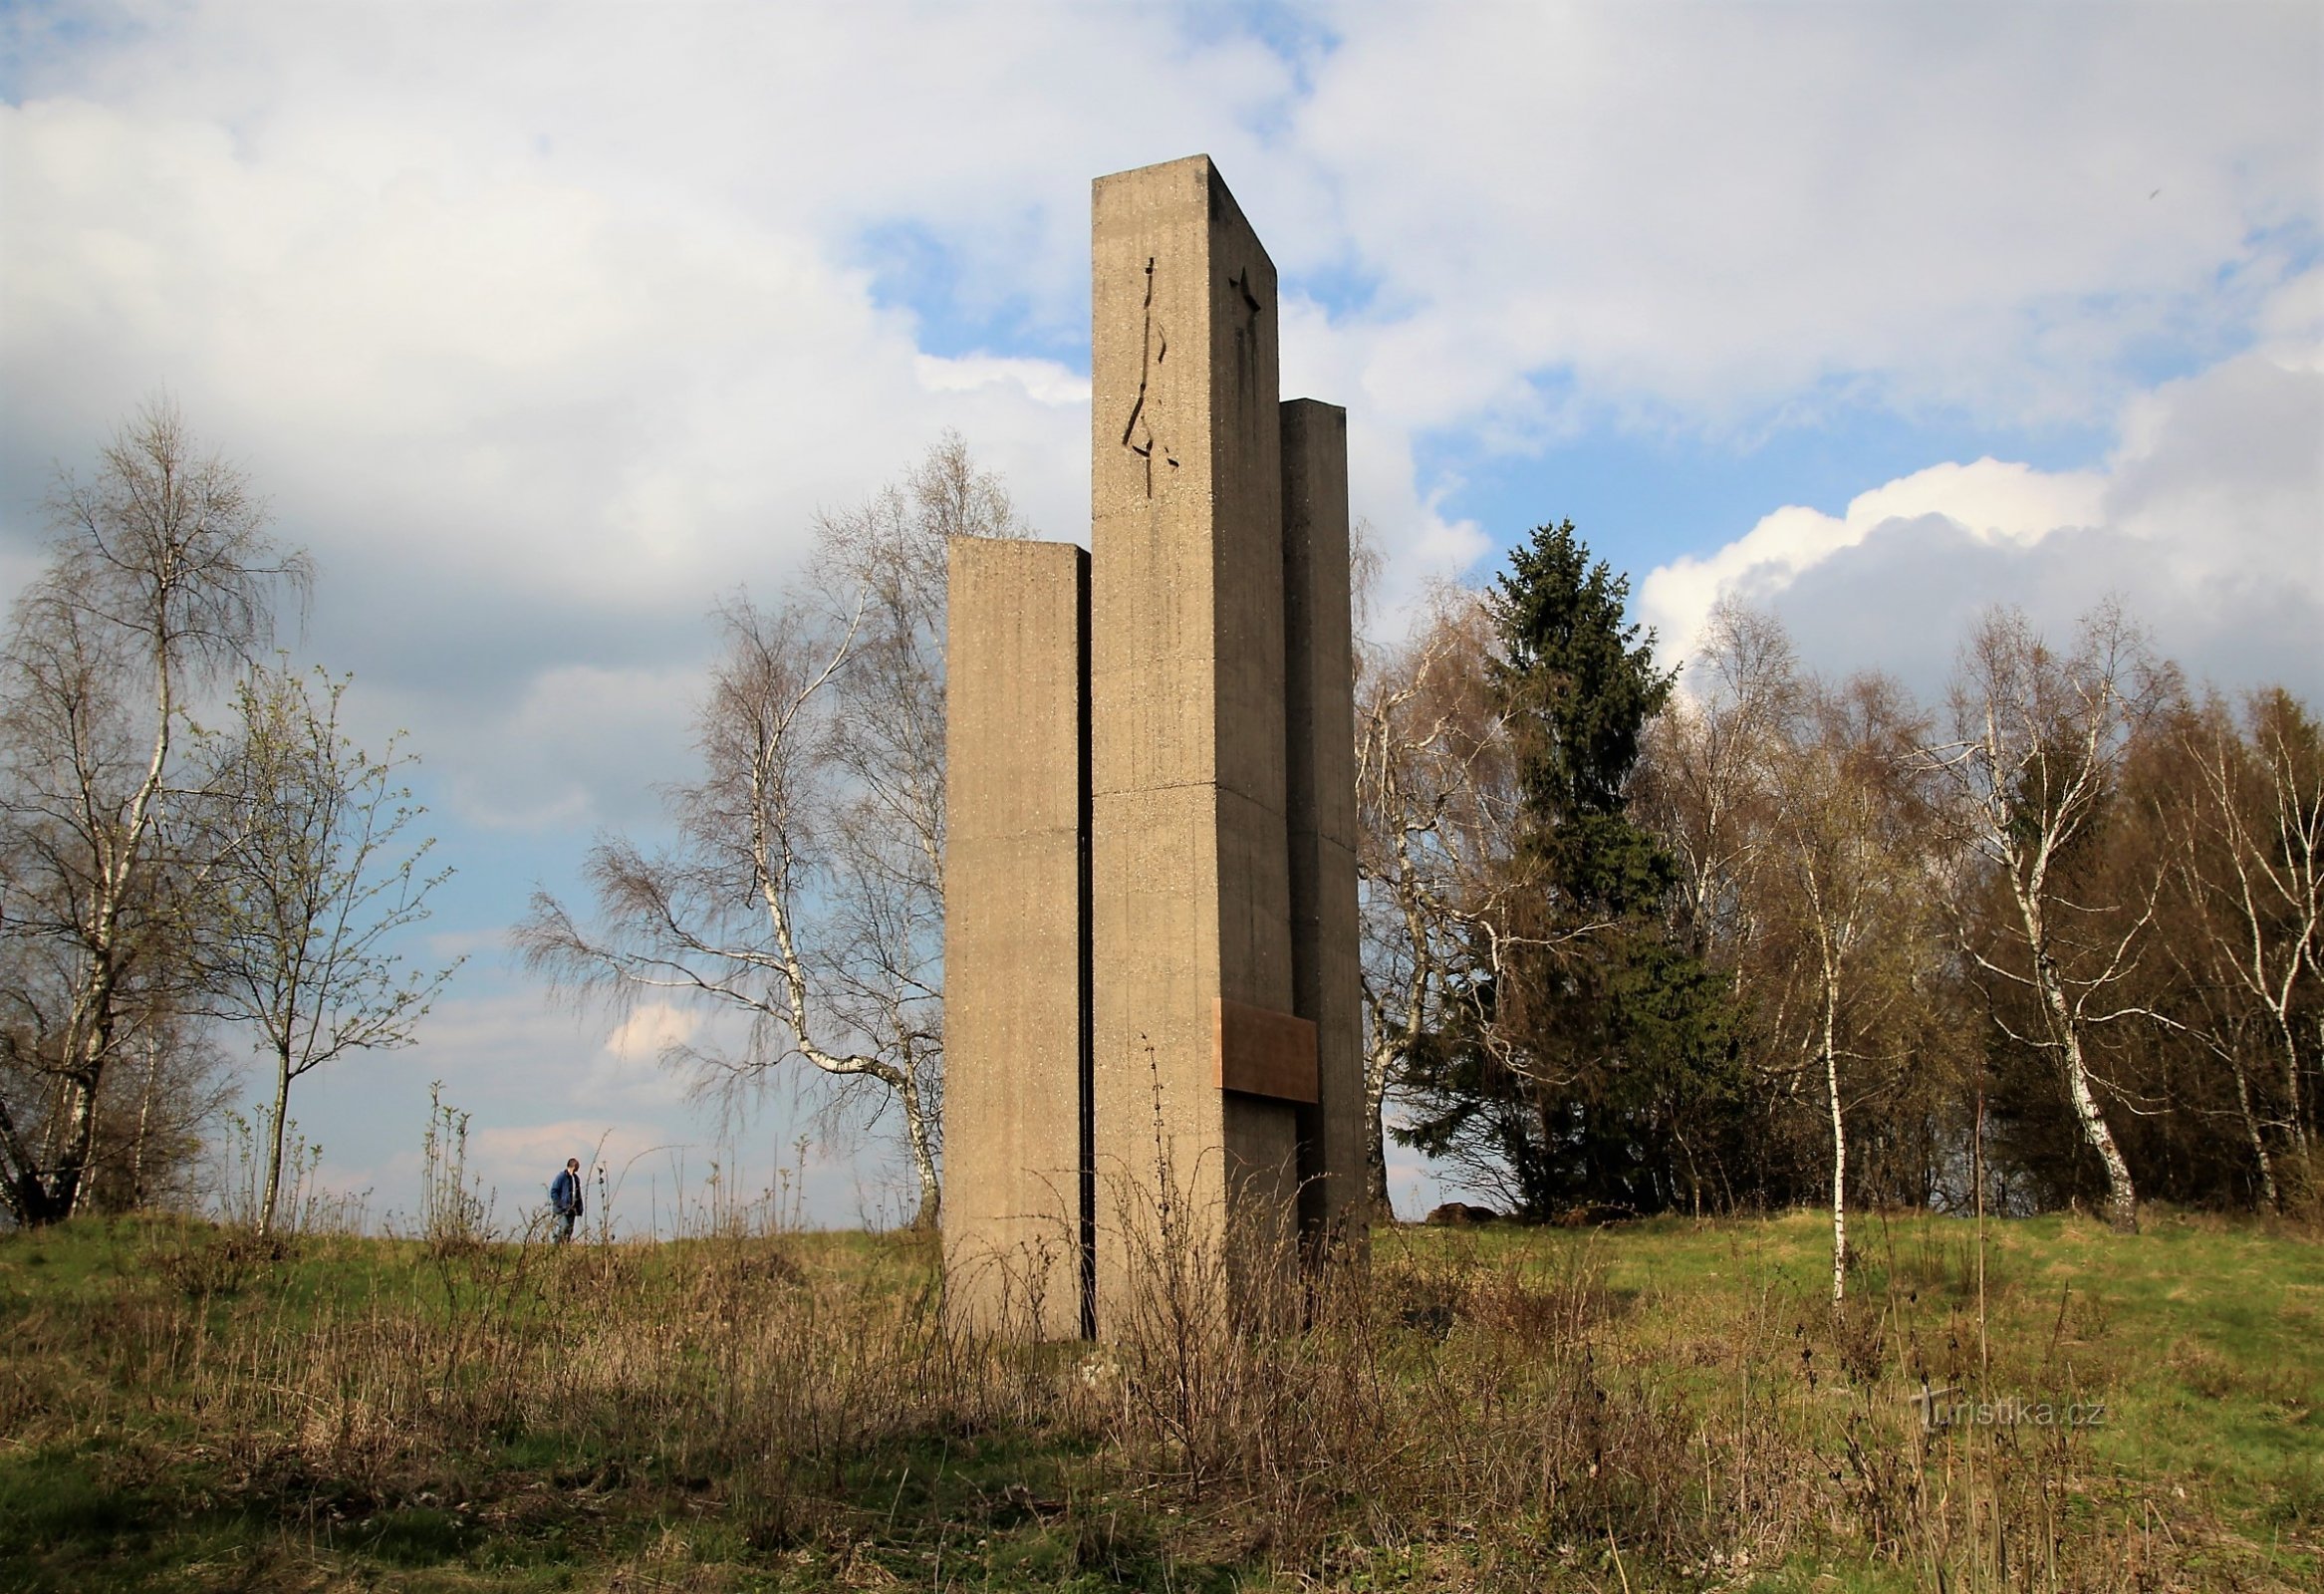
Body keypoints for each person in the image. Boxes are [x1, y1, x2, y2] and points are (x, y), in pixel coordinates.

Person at [550, 1157, 584, 1243]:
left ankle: (564, 1248)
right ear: (572, 1166)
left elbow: (578, 1194)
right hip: (562, 1209)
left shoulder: (576, 1179)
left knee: (569, 1231)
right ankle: (556, 1246)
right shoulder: (561, 1177)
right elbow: (554, 1191)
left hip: (572, 1209)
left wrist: (579, 1208)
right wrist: (560, 1204)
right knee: (564, 1227)